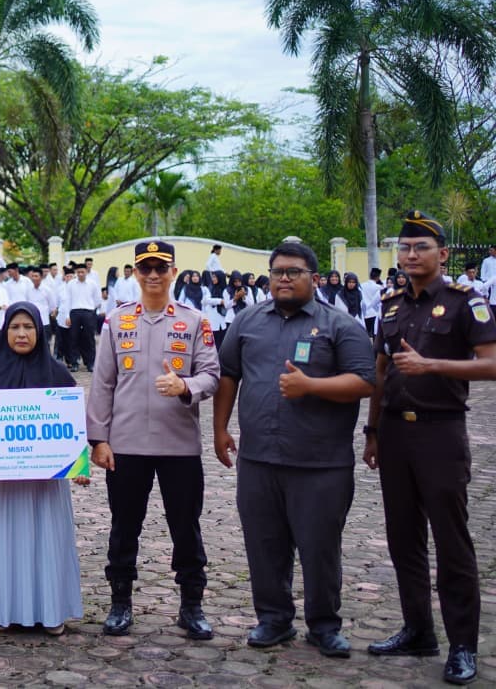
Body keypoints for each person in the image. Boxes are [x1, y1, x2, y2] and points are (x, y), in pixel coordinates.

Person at [212, 242, 375, 657]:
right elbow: (228, 374)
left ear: (314, 278)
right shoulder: (247, 321)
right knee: (264, 544)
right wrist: (219, 428)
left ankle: (324, 625)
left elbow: (365, 381)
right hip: (259, 458)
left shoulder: (341, 325)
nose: (285, 278)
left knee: (320, 547)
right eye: (278, 271)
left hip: (320, 462)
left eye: (295, 271)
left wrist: (312, 387)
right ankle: (273, 619)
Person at [362, 211, 496, 686]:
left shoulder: (467, 303)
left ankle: (462, 645)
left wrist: (432, 366)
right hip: (396, 434)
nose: (411, 255)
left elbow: (492, 363)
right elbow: (381, 370)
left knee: (451, 540)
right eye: (404, 248)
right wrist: (372, 431)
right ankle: (418, 628)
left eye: (421, 248)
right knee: (403, 537)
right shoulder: (392, 304)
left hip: (441, 433)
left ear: (442, 254)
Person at [86, 240, 220, 640]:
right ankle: (120, 602)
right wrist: (98, 439)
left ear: (173, 272)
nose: (153, 275)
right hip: (125, 446)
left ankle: (191, 605)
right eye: (145, 268)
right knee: (125, 526)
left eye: (161, 268)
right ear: (136, 272)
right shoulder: (117, 322)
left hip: (178, 446)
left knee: (186, 526)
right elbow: (102, 384)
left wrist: (184, 385)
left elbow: (212, 374)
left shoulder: (196, 322)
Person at [0, 302, 89, 635]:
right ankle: (2, 610)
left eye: (29, 327)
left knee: (46, 541)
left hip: (45, 485)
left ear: (40, 331)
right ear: (4, 331)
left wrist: (78, 463)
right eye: (14, 327)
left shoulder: (59, 376)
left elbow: (72, 430)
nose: (22, 334)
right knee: (5, 541)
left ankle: (50, 611)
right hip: (2, 484)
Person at [60, 264, 100, 372]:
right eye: (78, 272)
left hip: (88, 312)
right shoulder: (71, 284)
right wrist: (68, 316)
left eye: (82, 272)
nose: (80, 274)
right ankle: (74, 363)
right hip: (75, 312)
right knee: (73, 338)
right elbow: (68, 300)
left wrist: (91, 310)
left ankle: (91, 363)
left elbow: (97, 300)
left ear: (86, 272)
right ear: (76, 273)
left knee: (89, 338)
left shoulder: (92, 284)